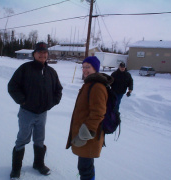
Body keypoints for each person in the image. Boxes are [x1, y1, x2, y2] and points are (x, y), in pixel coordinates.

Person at [8, 42, 63, 179]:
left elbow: (58, 89)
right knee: (22, 139)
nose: (42, 55)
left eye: (45, 53)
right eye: (39, 52)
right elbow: (12, 86)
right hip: (27, 112)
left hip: (42, 113)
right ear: (34, 54)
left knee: (39, 140)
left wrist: (52, 102)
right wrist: (23, 101)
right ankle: (16, 169)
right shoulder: (25, 68)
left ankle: (38, 164)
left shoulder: (51, 72)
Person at [66, 56, 114, 180]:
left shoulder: (97, 86)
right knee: (86, 167)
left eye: (88, 67)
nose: (85, 70)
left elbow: (98, 113)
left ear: (95, 68)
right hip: (86, 134)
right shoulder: (90, 83)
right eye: (83, 67)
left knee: (85, 168)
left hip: (88, 136)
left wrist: (84, 134)